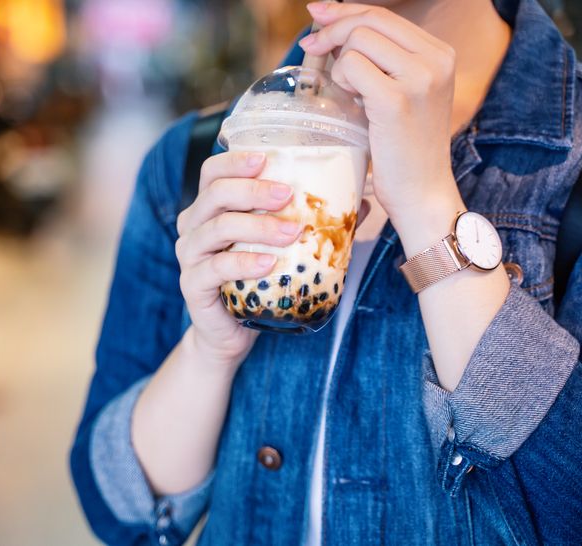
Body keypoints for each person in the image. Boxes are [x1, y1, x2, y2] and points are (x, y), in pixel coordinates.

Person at [70, 0, 582, 544]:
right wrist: (208, 352)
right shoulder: (193, 159)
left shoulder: (565, 169)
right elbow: (114, 507)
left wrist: (430, 207)